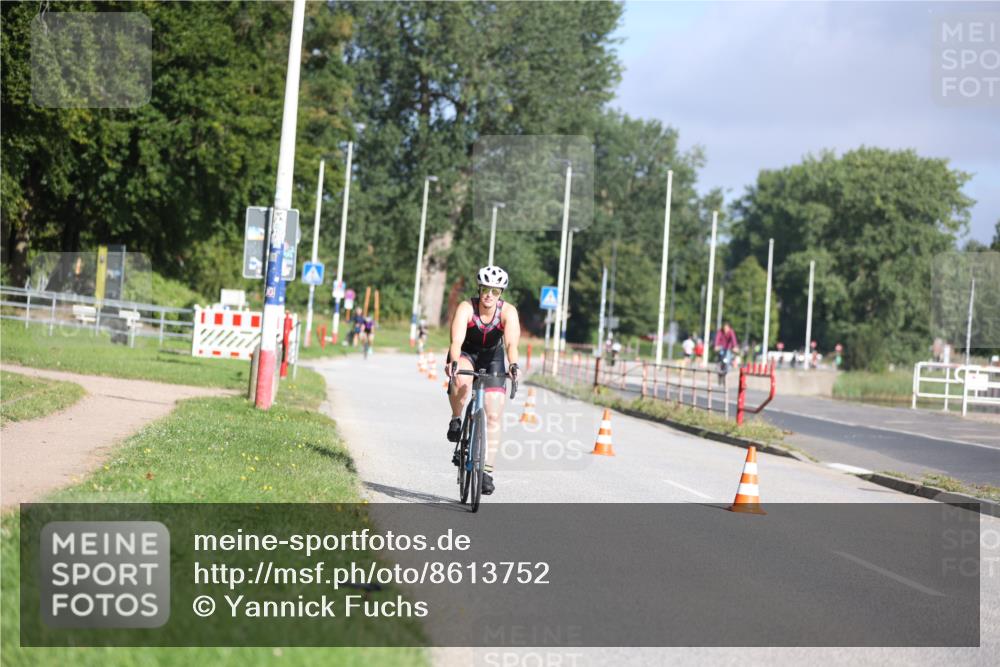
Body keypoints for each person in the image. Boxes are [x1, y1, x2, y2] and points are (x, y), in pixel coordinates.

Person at [445, 265, 521, 496]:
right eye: (486, 289)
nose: (489, 295)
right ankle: (457, 419)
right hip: (466, 353)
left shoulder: (508, 312)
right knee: (461, 381)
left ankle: (487, 471)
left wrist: (513, 365)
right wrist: (454, 361)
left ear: (501, 294)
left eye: (495, 291)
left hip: (492, 357)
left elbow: (510, 345)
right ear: (479, 289)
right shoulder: (467, 307)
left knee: (495, 413)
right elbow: (456, 340)